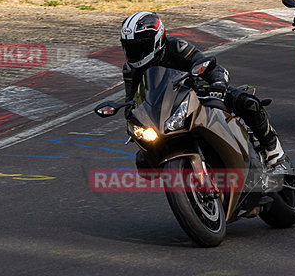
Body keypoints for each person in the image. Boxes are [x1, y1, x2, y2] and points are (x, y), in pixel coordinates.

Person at [120, 11, 286, 169]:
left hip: (202, 93)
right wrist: (134, 120)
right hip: (165, 109)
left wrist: (218, 83)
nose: (134, 52)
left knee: (246, 103)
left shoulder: (176, 47)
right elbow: (132, 101)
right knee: (143, 161)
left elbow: (208, 64)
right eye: (129, 47)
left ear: (156, 39)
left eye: (139, 46)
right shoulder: (130, 69)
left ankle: (271, 145)